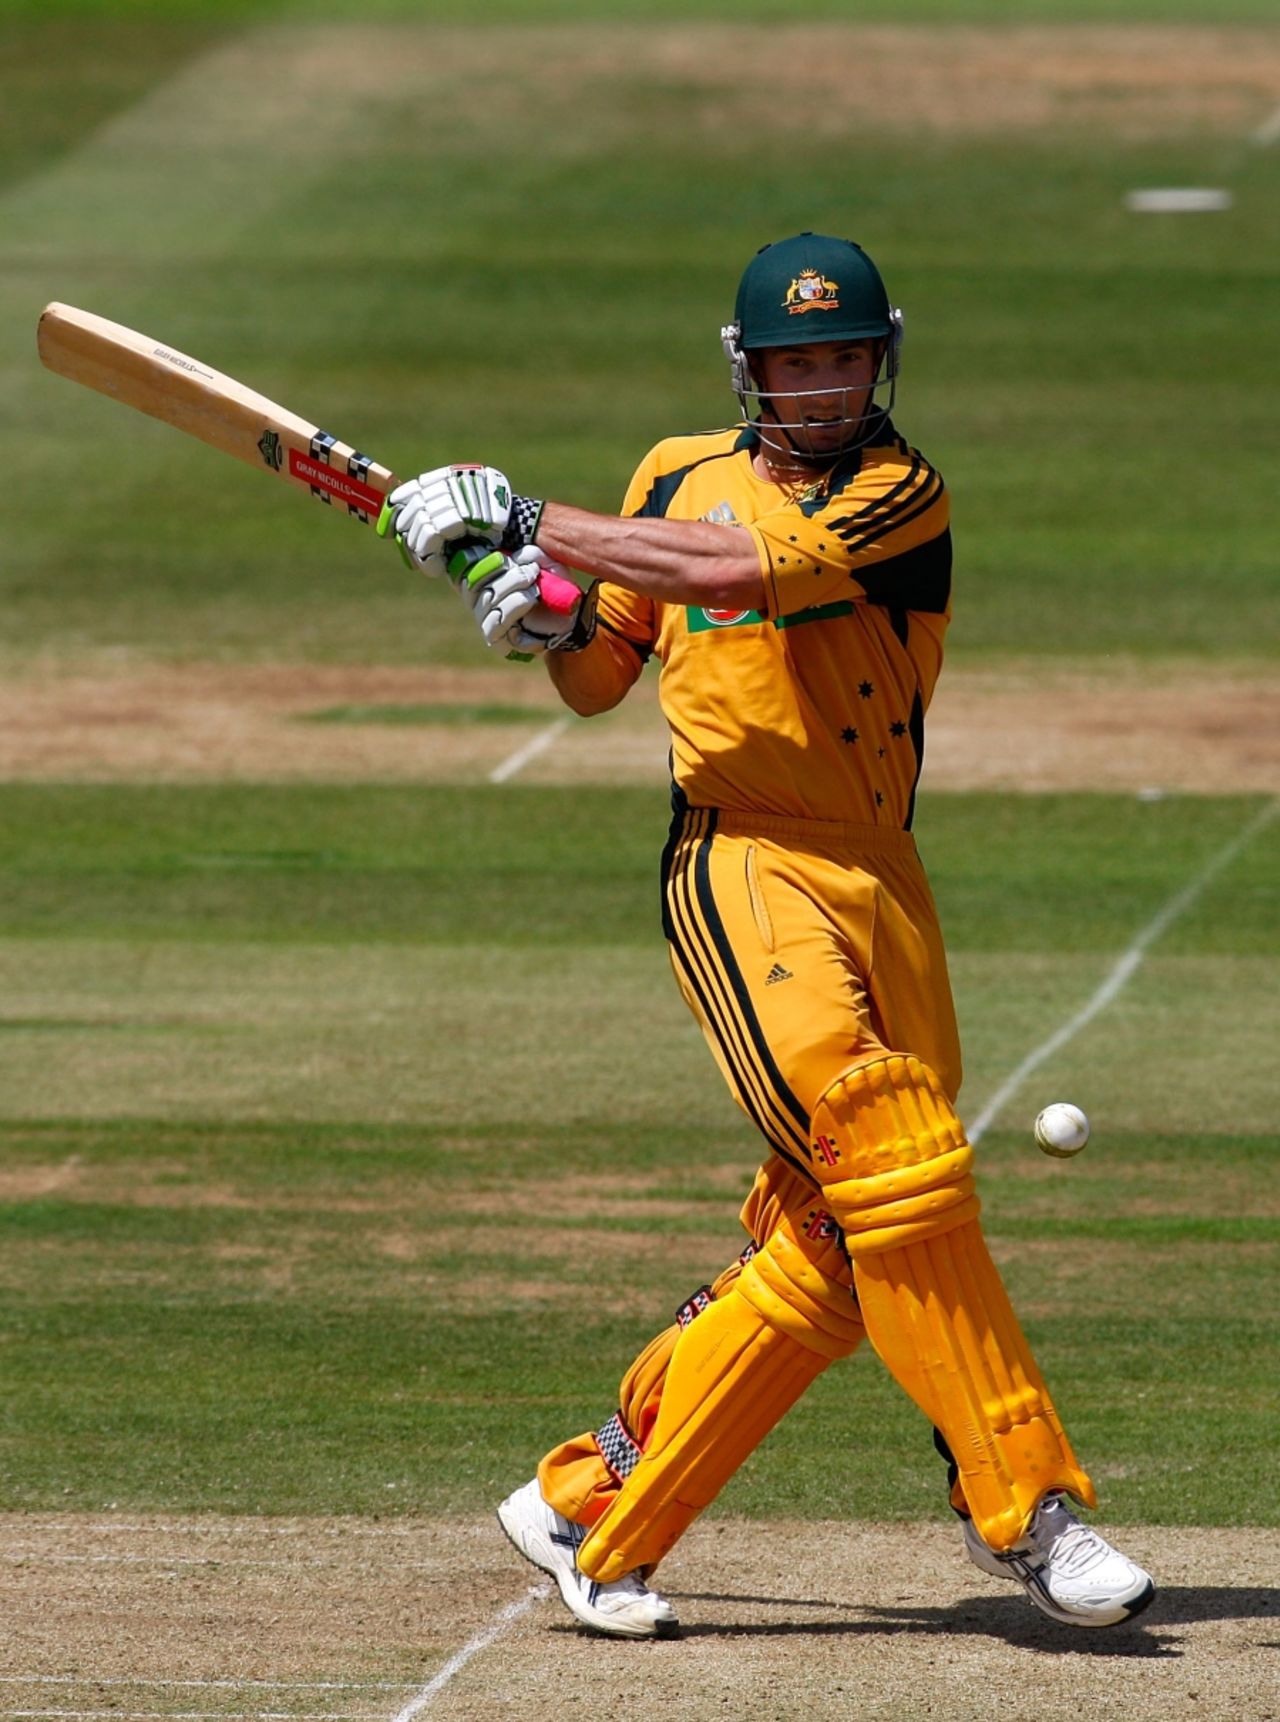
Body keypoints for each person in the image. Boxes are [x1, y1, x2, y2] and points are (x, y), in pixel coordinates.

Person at [381, 233, 1155, 1640]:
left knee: (844, 1241)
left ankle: (589, 1499)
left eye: (844, 358)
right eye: (796, 363)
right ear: (751, 369)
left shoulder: (897, 495)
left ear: (881, 360)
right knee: (893, 1153)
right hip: (740, 859)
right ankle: (1032, 1507)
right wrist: (533, 609)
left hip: (881, 875)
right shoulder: (672, 470)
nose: (821, 385)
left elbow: (732, 564)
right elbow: (599, 678)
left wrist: (529, 518)